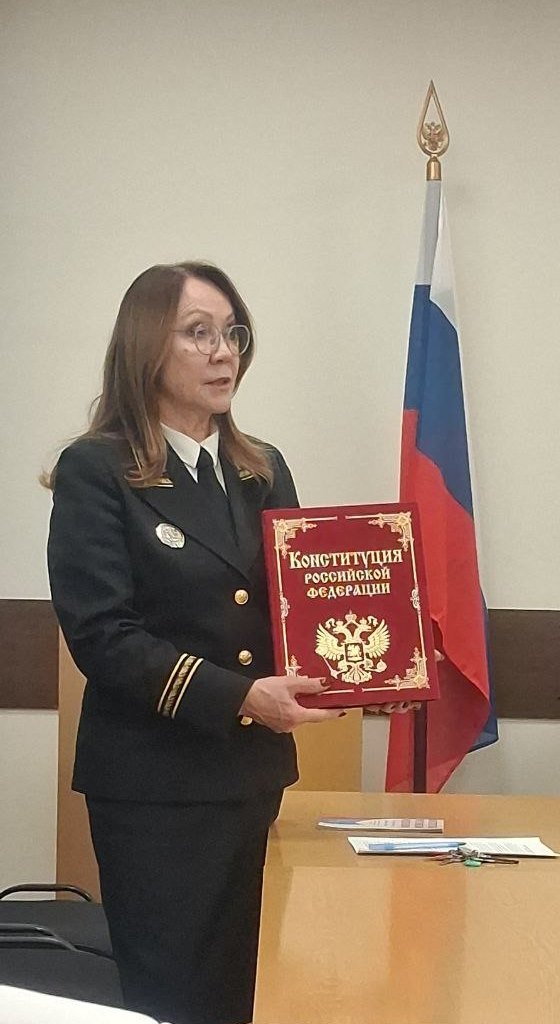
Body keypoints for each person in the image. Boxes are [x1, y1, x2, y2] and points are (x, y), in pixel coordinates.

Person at [46, 261, 344, 1024]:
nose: (223, 352)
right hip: (155, 786)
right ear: (148, 347)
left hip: (251, 776)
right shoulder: (98, 469)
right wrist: (241, 695)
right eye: (198, 333)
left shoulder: (260, 468)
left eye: (232, 333)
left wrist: (360, 666)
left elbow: (296, 608)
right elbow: (102, 636)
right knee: (175, 996)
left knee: (250, 990)